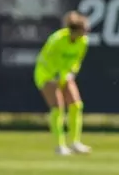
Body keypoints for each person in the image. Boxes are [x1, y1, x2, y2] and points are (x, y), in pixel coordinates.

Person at [34, 11, 92, 155]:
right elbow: (45, 59)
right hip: (47, 74)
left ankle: (75, 142)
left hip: (64, 75)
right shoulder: (56, 39)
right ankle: (60, 146)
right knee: (58, 107)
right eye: (83, 30)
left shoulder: (83, 41)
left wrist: (71, 73)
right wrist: (55, 75)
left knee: (76, 105)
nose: (86, 33)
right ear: (75, 30)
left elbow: (76, 60)